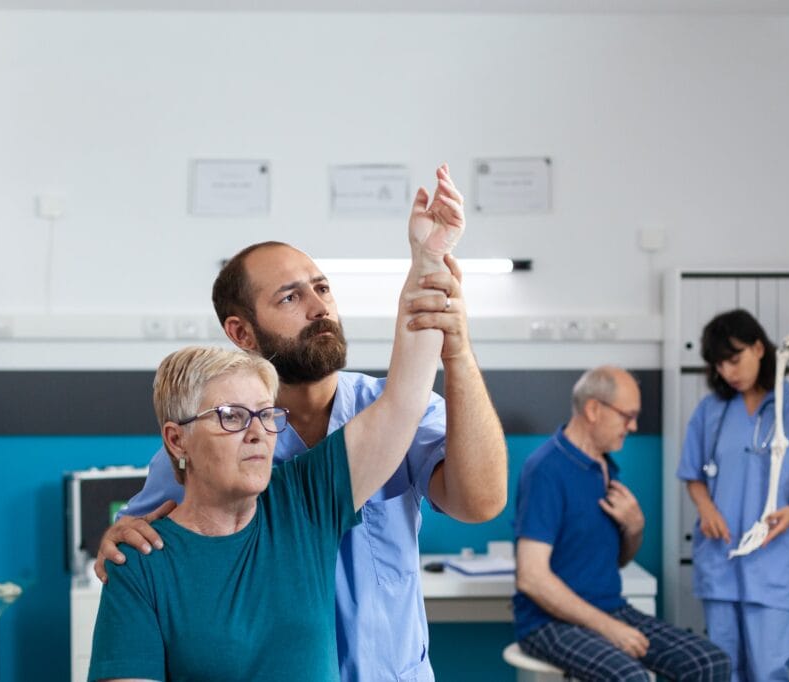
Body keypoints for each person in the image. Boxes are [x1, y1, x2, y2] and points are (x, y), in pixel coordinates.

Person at [94, 165, 508, 681]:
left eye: (322, 289)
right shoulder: (203, 449)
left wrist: (455, 342)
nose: (319, 309)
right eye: (290, 297)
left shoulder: (380, 417)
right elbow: (140, 540)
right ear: (241, 331)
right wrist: (117, 539)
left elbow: (480, 498)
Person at [514, 366, 730, 682]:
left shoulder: (607, 468)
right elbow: (531, 578)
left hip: (610, 607)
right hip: (548, 622)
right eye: (627, 416)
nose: (634, 426)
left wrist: (635, 526)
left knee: (710, 663)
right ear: (593, 409)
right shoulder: (545, 469)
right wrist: (608, 627)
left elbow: (617, 560)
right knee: (632, 679)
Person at [677, 309, 789, 681]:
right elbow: (692, 474)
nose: (728, 372)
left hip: (775, 560)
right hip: (721, 558)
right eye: (719, 364)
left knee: (769, 670)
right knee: (724, 669)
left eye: (735, 358)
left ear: (759, 348)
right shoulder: (711, 411)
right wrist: (706, 506)